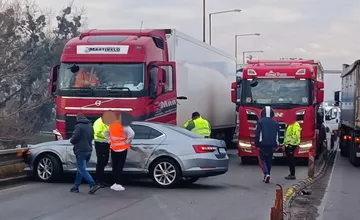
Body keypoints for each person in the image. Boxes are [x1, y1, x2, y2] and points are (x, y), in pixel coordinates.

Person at [70, 113, 101, 194]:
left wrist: (71, 140)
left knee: (82, 169)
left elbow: (75, 138)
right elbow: (92, 137)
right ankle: (76, 187)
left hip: (81, 150)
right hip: (89, 150)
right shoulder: (90, 126)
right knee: (80, 169)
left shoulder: (78, 126)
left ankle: (93, 184)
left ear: (78, 118)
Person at [104, 112, 135, 191]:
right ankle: (118, 183)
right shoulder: (125, 125)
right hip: (122, 148)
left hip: (114, 148)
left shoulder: (112, 125)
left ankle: (114, 183)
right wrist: (127, 142)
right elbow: (132, 134)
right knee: (120, 166)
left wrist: (109, 141)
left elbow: (106, 133)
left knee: (114, 166)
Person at [255, 106, 280, 183]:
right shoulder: (275, 123)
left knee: (263, 160)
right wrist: (277, 144)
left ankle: (266, 174)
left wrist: (257, 144)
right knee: (269, 160)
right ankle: (268, 173)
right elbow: (277, 135)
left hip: (263, 144)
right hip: (272, 144)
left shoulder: (260, 122)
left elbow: (258, 134)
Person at [93, 115, 110, 188]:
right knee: (100, 163)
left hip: (105, 144)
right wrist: (108, 136)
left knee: (104, 162)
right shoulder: (98, 122)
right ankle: (98, 181)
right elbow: (98, 133)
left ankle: (101, 180)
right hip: (100, 144)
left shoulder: (105, 121)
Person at [283, 113, 301, 180]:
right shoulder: (289, 124)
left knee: (291, 160)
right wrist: (284, 144)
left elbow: (295, 136)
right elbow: (286, 136)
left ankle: (292, 174)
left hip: (291, 145)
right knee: (289, 159)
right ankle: (291, 174)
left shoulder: (295, 125)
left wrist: (291, 144)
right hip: (288, 144)